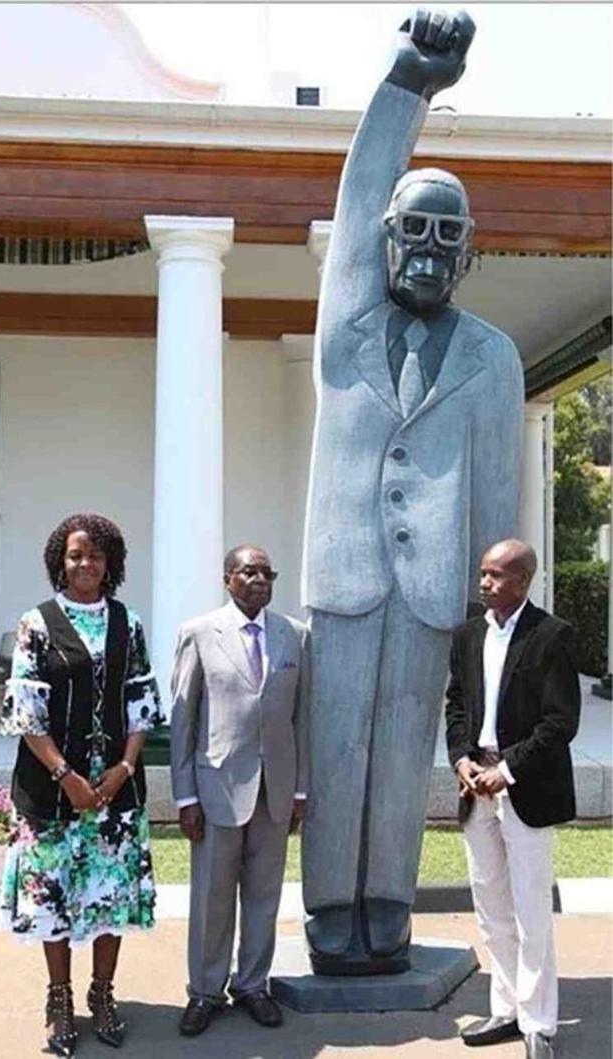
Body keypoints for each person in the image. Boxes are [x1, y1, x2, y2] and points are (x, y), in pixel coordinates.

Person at [300, 8, 524, 973]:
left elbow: (503, 499)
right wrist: (407, 87)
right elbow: (356, 201)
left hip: (436, 592)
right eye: (412, 230)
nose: (428, 249)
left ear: (470, 251)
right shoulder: (347, 322)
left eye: (448, 236)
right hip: (346, 579)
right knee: (339, 746)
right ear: (385, 241)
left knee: (400, 760)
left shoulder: (494, 356)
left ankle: (386, 903)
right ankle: (327, 910)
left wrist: (498, 620)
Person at [0, 513, 163, 1057]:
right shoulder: (37, 624)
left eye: (95, 555)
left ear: (110, 563)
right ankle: (60, 999)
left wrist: (123, 768)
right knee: (56, 897)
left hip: (114, 792)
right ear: (58, 562)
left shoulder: (128, 623)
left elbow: (142, 703)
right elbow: (26, 714)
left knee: (110, 896)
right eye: (75, 555)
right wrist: (66, 775)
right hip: (52, 793)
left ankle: (104, 994)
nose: (85, 563)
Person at [445, 539, 580, 1059]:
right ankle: (506, 1008)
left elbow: (560, 722)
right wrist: (462, 759)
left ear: (522, 581)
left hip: (525, 789)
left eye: (496, 576)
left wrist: (507, 771)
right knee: (491, 908)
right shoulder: (468, 634)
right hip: (473, 785)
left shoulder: (552, 636)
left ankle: (538, 1024)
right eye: (483, 574)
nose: (485, 583)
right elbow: (456, 706)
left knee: (530, 912)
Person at [170, 545, 308, 1036]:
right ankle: (205, 991)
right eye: (249, 571)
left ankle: (252, 985)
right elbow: (183, 721)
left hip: (275, 790)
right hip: (216, 790)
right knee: (212, 896)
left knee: (264, 895)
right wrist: (184, 797)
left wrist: (301, 791)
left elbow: (302, 719)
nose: (260, 579)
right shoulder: (200, 633)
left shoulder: (294, 635)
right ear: (228, 578)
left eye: (267, 572)